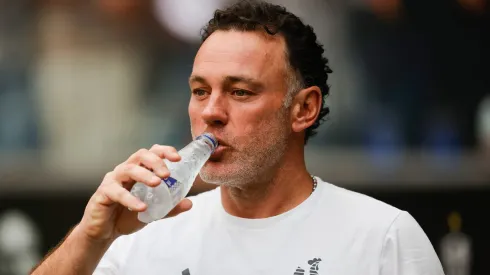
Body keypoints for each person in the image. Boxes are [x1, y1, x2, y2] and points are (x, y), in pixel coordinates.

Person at [31, 1, 445, 274]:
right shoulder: (143, 233)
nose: (211, 111)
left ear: (304, 109)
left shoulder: (383, 237)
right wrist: (90, 237)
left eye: (240, 91)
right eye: (199, 91)